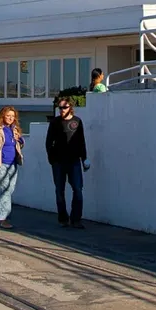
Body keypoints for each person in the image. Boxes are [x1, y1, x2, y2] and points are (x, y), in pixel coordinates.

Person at [45, 97, 89, 229]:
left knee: (77, 189)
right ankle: (63, 218)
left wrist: (84, 159)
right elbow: (48, 142)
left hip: (74, 160)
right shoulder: (55, 122)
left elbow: (81, 142)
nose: (62, 110)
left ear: (70, 108)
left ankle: (76, 219)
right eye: (60, 108)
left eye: (64, 107)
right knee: (60, 190)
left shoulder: (77, 122)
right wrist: (52, 159)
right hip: (58, 162)